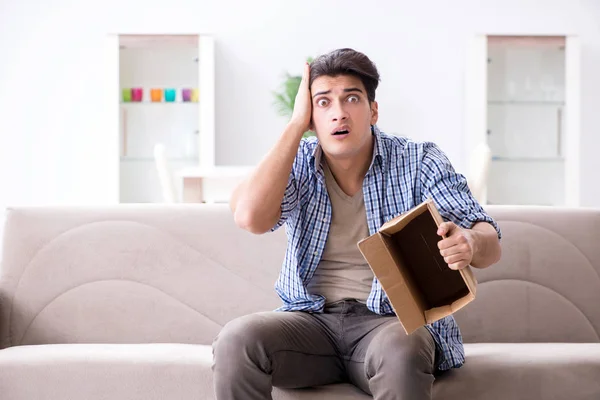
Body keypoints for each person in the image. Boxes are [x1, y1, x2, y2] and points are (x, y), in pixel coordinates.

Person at [212, 48, 502, 400]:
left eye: (351, 98)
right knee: (237, 339)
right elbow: (249, 218)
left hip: (389, 324)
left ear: (373, 110)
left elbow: (489, 241)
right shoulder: (300, 161)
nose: (339, 114)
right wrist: (293, 128)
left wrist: (470, 242)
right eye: (323, 103)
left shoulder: (418, 159)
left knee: (403, 346)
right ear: (309, 117)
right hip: (311, 323)